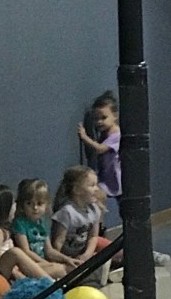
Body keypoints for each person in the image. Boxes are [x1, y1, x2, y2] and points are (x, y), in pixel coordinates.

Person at [0, 182, 55, 281]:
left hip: (14, 267)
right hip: (7, 271)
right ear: (5, 208)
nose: (16, 206)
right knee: (16, 253)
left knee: (59, 268)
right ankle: (50, 284)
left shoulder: (6, 229)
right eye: (13, 203)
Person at [51, 165, 109, 286]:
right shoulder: (67, 212)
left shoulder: (94, 209)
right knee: (66, 270)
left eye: (96, 185)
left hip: (82, 254)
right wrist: (61, 259)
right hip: (67, 257)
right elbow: (57, 242)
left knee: (108, 252)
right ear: (77, 190)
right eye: (92, 185)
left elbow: (93, 237)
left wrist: (86, 255)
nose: (96, 189)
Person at [77, 93, 122, 226]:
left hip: (116, 178)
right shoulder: (104, 133)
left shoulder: (116, 134)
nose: (99, 122)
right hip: (105, 176)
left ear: (115, 116)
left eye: (104, 118)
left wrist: (85, 137)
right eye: (96, 119)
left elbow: (100, 149)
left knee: (124, 206)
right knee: (98, 197)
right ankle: (99, 226)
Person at [11, 178, 68, 278]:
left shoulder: (43, 223)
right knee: (62, 270)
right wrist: (46, 263)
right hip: (27, 265)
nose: (35, 208)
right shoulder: (20, 223)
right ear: (23, 205)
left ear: (46, 204)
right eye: (29, 203)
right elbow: (25, 251)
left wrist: (67, 259)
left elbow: (49, 251)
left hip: (42, 264)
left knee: (70, 267)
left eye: (39, 203)